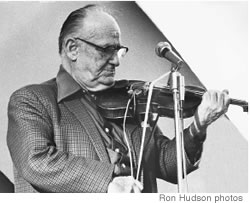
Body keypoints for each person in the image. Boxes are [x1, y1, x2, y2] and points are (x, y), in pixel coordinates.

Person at [7, 4, 230, 193]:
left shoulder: (128, 101)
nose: (116, 61)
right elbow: (35, 161)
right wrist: (108, 183)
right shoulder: (32, 100)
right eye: (106, 50)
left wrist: (198, 127)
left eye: (119, 51)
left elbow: (167, 165)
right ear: (73, 48)